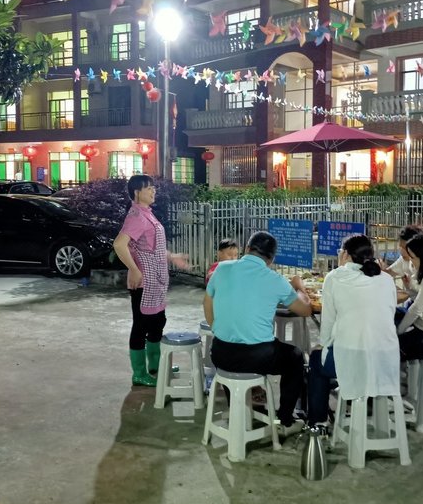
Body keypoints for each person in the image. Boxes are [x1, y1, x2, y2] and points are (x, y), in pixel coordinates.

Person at [204, 231, 312, 435]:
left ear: (247, 249)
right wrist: (300, 288)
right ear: (271, 259)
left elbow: (207, 302)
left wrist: (219, 330)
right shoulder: (275, 279)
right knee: (295, 357)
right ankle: (286, 420)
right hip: (258, 357)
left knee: (233, 354)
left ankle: (238, 408)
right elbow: (305, 310)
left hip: (220, 353)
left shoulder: (222, 269)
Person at [307, 235, 399, 427]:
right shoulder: (386, 279)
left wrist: (322, 346)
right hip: (385, 359)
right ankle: (358, 396)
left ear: (345, 254)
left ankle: (318, 423)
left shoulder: (335, 277)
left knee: (316, 360)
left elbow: (328, 323)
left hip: (352, 357)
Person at [113, 175, 190, 387]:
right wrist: (133, 269)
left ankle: (155, 365)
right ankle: (139, 373)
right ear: (137, 192)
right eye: (148, 188)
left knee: (157, 322)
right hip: (144, 282)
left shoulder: (147, 213)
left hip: (155, 280)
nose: (153, 191)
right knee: (141, 326)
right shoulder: (137, 216)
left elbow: (151, 247)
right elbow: (119, 244)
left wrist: (172, 257)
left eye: (153, 188)